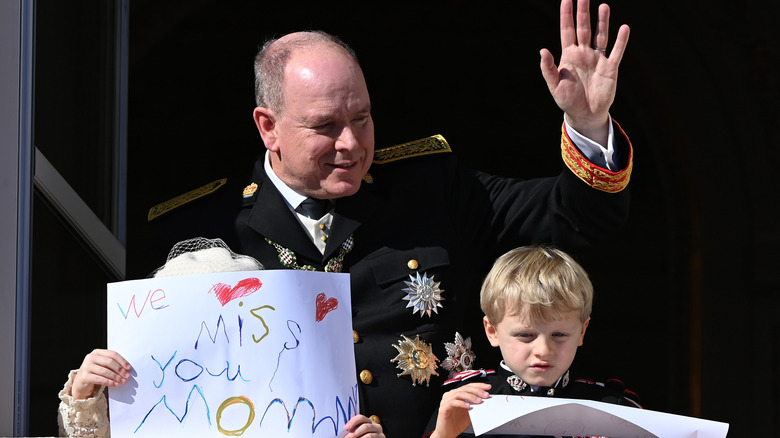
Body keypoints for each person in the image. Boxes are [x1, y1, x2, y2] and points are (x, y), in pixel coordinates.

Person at [59, 0, 633, 436]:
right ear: (268, 127)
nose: (351, 143)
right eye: (325, 126)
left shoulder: (433, 186)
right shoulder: (194, 234)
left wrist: (589, 125)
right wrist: (92, 398)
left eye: (362, 117)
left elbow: (578, 218)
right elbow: (151, 401)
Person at [424, 245, 641, 438]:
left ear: (582, 332)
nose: (543, 350)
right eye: (525, 335)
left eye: (559, 335)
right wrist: (444, 435)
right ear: (492, 331)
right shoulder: (464, 404)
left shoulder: (613, 408)